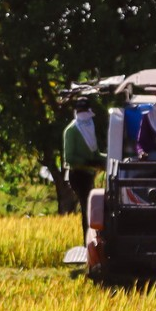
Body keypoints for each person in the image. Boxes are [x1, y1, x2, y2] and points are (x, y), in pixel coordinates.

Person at [61, 97, 104, 237]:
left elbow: (95, 154)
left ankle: (94, 237)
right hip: (77, 175)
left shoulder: (90, 127)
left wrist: (110, 158)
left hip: (89, 174)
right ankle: (87, 239)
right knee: (87, 207)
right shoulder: (71, 130)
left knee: (93, 207)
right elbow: (69, 158)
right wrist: (88, 163)